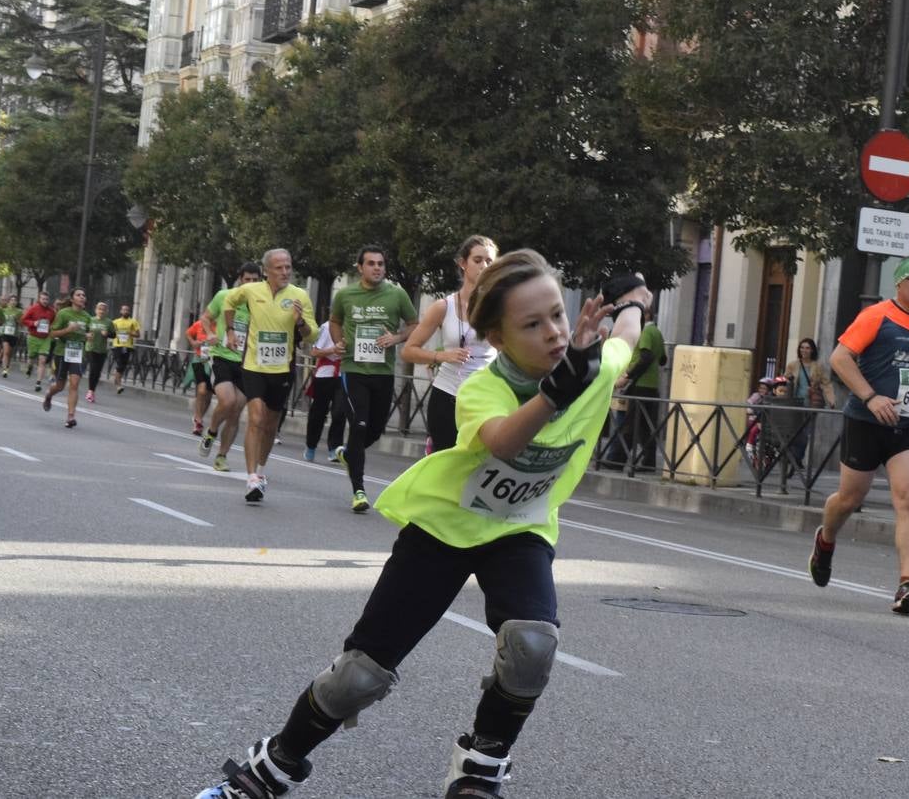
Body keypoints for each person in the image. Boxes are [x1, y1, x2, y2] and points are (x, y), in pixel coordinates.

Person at [195, 250, 651, 799]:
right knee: (358, 677)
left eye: (557, 315)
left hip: (518, 530)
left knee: (533, 644)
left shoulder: (594, 369)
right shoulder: (486, 387)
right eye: (532, 324)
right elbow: (506, 441)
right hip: (444, 529)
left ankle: (481, 767)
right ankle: (268, 772)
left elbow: (626, 331)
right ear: (499, 339)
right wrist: (559, 389)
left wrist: (635, 299)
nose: (553, 333)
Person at [807, 256, 909, 615]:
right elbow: (840, 358)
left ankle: (907, 583)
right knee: (849, 498)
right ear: (899, 284)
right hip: (866, 421)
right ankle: (826, 538)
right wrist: (870, 396)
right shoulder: (876, 315)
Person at [223, 249, 318, 503]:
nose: (285, 272)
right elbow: (228, 302)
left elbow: (313, 335)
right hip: (254, 365)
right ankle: (252, 477)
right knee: (256, 417)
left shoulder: (299, 295)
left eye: (288, 267)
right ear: (267, 271)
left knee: (270, 423)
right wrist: (231, 331)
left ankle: (261, 471)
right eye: (279, 268)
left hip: (282, 368)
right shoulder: (252, 291)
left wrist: (300, 323)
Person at [330, 245, 418, 513]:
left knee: (375, 430)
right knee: (358, 424)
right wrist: (338, 342)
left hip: (383, 372)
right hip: (354, 370)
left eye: (381, 263)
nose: (377, 268)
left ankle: (348, 454)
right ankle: (359, 489)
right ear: (360, 267)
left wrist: (397, 338)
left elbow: (414, 325)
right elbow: (334, 321)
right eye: (371, 263)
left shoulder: (397, 294)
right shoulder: (345, 294)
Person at [401, 236, 499, 454]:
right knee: (445, 466)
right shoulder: (443, 307)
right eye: (478, 260)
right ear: (463, 263)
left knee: (477, 464)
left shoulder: (499, 307)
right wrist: (441, 356)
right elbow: (409, 351)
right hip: (448, 395)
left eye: (489, 261)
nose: (484, 266)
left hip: (485, 398)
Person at [198, 263, 262, 472]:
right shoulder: (224, 296)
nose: (251, 284)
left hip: (246, 362)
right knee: (228, 401)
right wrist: (209, 333)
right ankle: (212, 431)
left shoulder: (261, 304)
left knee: (236, 411)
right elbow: (205, 318)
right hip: (222, 357)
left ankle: (222, 456)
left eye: (255, 280)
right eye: (247, 280)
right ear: (240, 280)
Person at [607, 305, 666, 470]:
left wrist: (628, 376)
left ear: (646, 315)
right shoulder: (657, 332)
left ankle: (616, 460)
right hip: (652, 386)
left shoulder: (646, 332)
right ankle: (648, 462)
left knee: (629, 425)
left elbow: (646, 357)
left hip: (639, 385)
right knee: (646, 428)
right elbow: (662, 360)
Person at [41, 288, 94, 429]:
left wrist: (89, 336)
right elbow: (52, 333)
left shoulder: (87, 317)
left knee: (75, 383)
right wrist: (68, 330)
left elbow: (88, 333)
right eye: (78, 295)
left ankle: (71, 416)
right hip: (62, 352)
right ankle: (49, 395)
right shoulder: (63, 314)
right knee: (60, 386)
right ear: (72, 299)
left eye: (84, 295)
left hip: (77, 353)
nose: (82, 297)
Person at [784, 336, 836, 466]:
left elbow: (826, 383)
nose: (804, 350)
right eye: (802, 347)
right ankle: (792, 456)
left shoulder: (817, 366)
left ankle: (798, 457)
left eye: (807, 348)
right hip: (795, 403)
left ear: (812, 350)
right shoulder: (792, 365)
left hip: (811, 403)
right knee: (794, 431)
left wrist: (831, 399)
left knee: (805, 434)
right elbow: (785, 382)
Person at [303, 311, 347, 463]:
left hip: (344, 374)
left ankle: (334, 449)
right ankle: (311, 446)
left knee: (340, 412)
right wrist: (332, 350)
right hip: (325, 374)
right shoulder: (327, 327)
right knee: (318, 413)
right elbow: (314, 351)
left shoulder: (353, 328)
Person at [21, 291, 57, 392]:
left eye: (46, 299)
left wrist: (52, 327)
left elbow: (55, 323)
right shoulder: (33, 308)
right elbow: (23, 320)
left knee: (42, 360)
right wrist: (33, 323)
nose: (45, 301)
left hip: (45, 338)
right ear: (39, 299)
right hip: (33, 337)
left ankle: (38, 383)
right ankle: (30, 367)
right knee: (31, 357)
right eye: (43, 299)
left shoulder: (52, 311)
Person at [185, 317, 215, 431]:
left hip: (213, 361)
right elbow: (188, 333)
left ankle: (200, 418)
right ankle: (198, 419)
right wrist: (193, 342)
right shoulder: (199, 324)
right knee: (202, 390)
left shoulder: (221, 327)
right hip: (200, 359)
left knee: (208, 393)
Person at [84, 301, 115, 403]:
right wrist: (87, 335)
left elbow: (114, 335)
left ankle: (92, 391)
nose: (101, 311)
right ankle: (90, 391)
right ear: (96, 310)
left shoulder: (108, 322)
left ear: (106, 311)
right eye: (99, 309)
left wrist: (107, 334)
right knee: (93, 369)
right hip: (91, 348)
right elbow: (84, 331)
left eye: (103, 309)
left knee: (97, 372)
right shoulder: (90, 320)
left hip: (102, 350)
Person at [110, 303, 140, 394]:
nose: (126, 311)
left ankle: (115, 376)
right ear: (121, 311)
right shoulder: (115, 322)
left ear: (129, 311)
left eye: (127, 310)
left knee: (122, 366)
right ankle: (118, 385)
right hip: (117, 346)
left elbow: (138, 335)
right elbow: (111, 333)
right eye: (124, 310)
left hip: (127, 346)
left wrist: (130, 333)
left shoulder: (133, 322)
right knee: (119, 364)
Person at [0, 294, 23, 378]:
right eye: (12, 300)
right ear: (8, 301)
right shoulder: (4, 310)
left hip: (14, 334)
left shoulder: (19, 311)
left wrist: (17, 320)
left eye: (15, 300)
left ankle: (6, 367)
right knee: (6, 352)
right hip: (5, 333)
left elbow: (22, 324)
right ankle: (4, 370)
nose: (13, 302)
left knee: (10, 353)